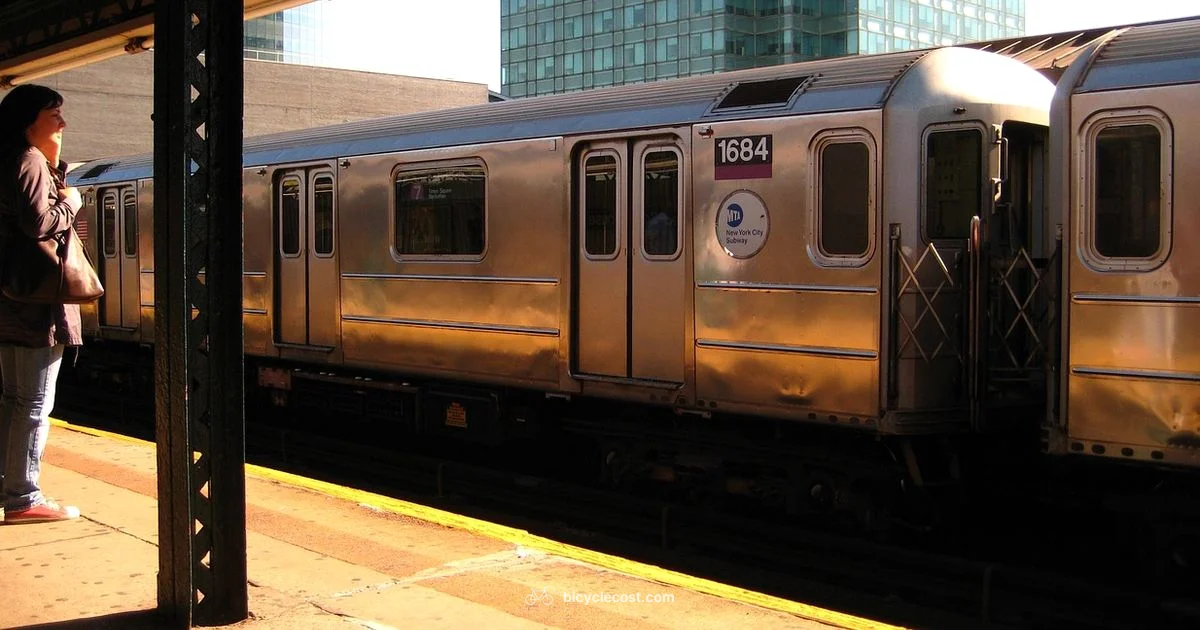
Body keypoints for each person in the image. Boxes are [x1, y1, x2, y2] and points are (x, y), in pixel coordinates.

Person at [0, 84, 83, 524]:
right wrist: (71, 201)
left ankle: (9, 489)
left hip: (9, 299)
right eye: (55, 114)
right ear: (30, 121)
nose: (63, 124)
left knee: (12, 399)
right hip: (34, 302)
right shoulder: (29, 160)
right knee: (33, 404)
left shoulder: (9, 159)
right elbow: (40, 223)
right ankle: (23, 497)